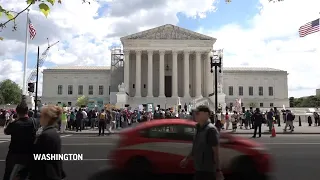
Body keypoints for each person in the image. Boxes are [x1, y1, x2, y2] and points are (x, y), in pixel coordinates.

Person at [180, 105, 223, 180]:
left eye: (197, 113)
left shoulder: (211, 130)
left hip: (208, 170)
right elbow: (196, 147)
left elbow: (216, 152)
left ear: (206, 114)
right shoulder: (198, 128)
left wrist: (218, 170)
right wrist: (187, 158)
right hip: (199, 168)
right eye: (195, 113)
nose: (195, 115)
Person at [3, 96, 36, 180]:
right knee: (27, 175)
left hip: (14, 153)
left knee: (9, 174)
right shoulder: (33, 122)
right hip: (29, 153)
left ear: (17, 112)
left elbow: (6, 132)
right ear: (27, 111)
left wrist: (11, 122)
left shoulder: (15, 124)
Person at [29, 105, 66, 180]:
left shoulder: (46, 135)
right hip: (53, 173)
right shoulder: (53, 133)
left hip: (45, 174)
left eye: (42, 116)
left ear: (47, 118)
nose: (40, 118)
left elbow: (38, 158)